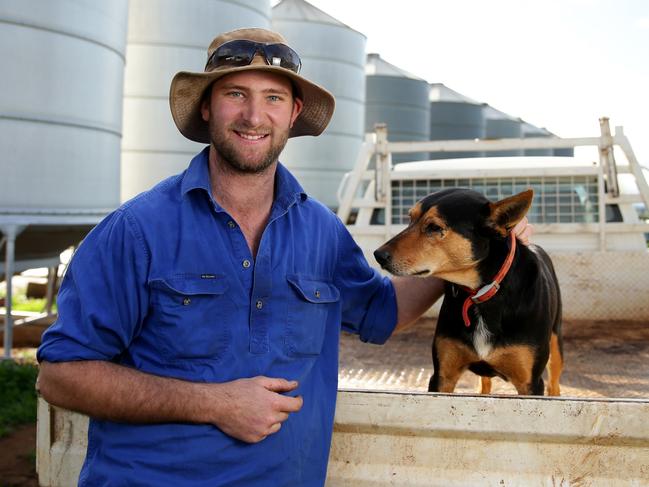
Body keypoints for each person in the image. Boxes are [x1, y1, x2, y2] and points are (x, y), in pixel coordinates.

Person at [36, 28, 532, 486]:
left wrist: (465, 259)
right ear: (207, 107)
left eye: (272, 98)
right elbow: (61, 375)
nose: (255, 117)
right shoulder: (136, 231)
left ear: (293, 114)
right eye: (235, 94)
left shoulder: (321, 231)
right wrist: (213, 403)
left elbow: (385, 311)